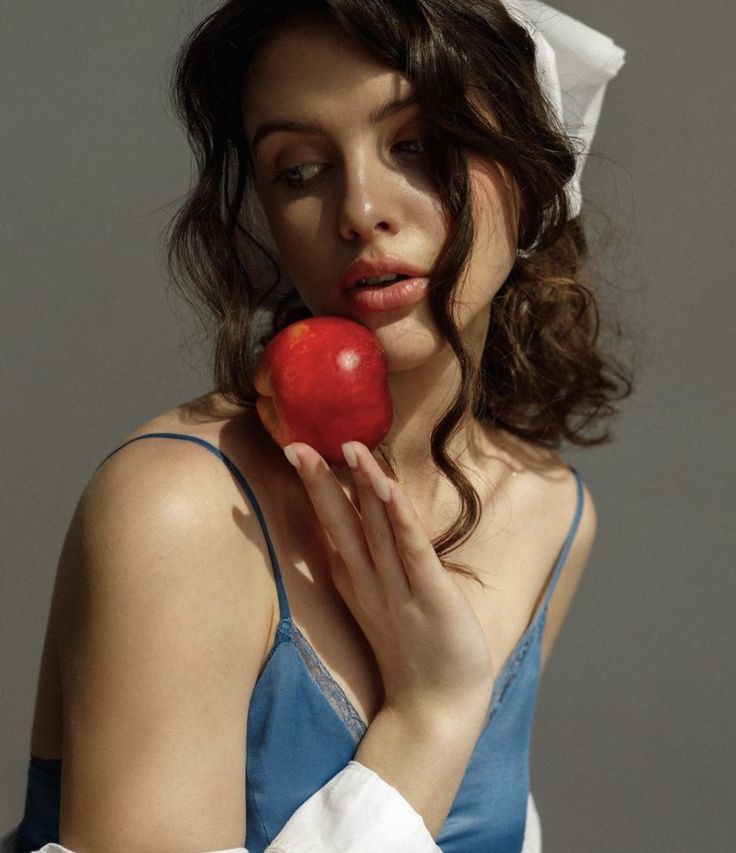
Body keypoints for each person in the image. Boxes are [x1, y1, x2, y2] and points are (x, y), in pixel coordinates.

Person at [6, 0, 631, 851]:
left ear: (533, 170)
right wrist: (430, 718)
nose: (361, 209)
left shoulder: (549, 509)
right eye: (299, 169)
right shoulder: (180, 511)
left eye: (417, 145)